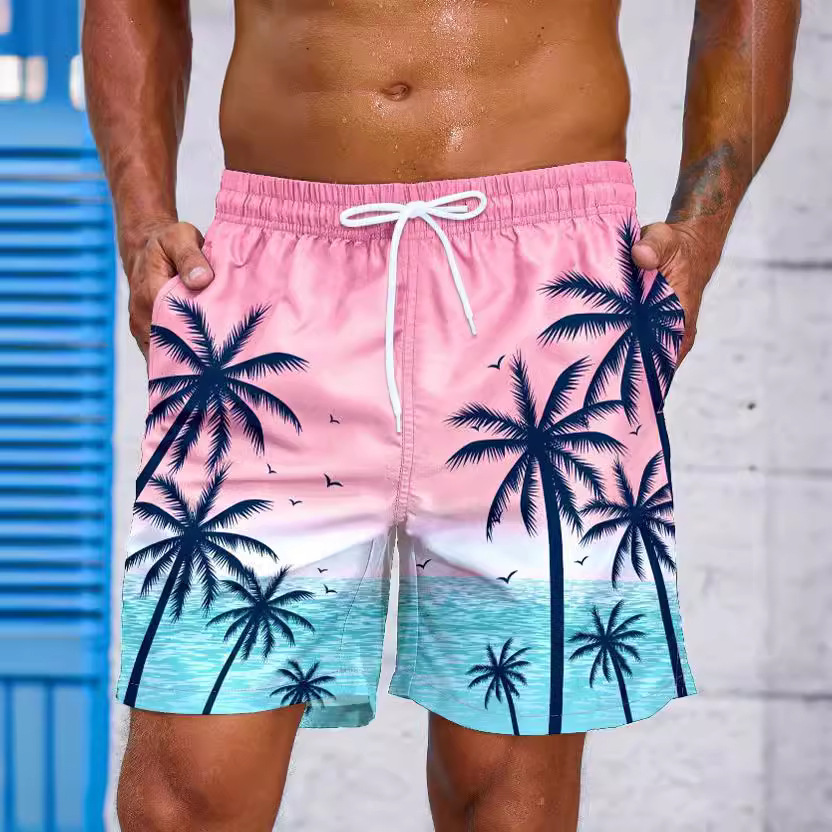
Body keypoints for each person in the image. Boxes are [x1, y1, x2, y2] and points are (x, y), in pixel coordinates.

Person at [83, 1, 800, 829]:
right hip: (267, 296)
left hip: (547, 293)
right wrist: (142, 221)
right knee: (179, 804)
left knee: (508, 804)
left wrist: (701, 234)